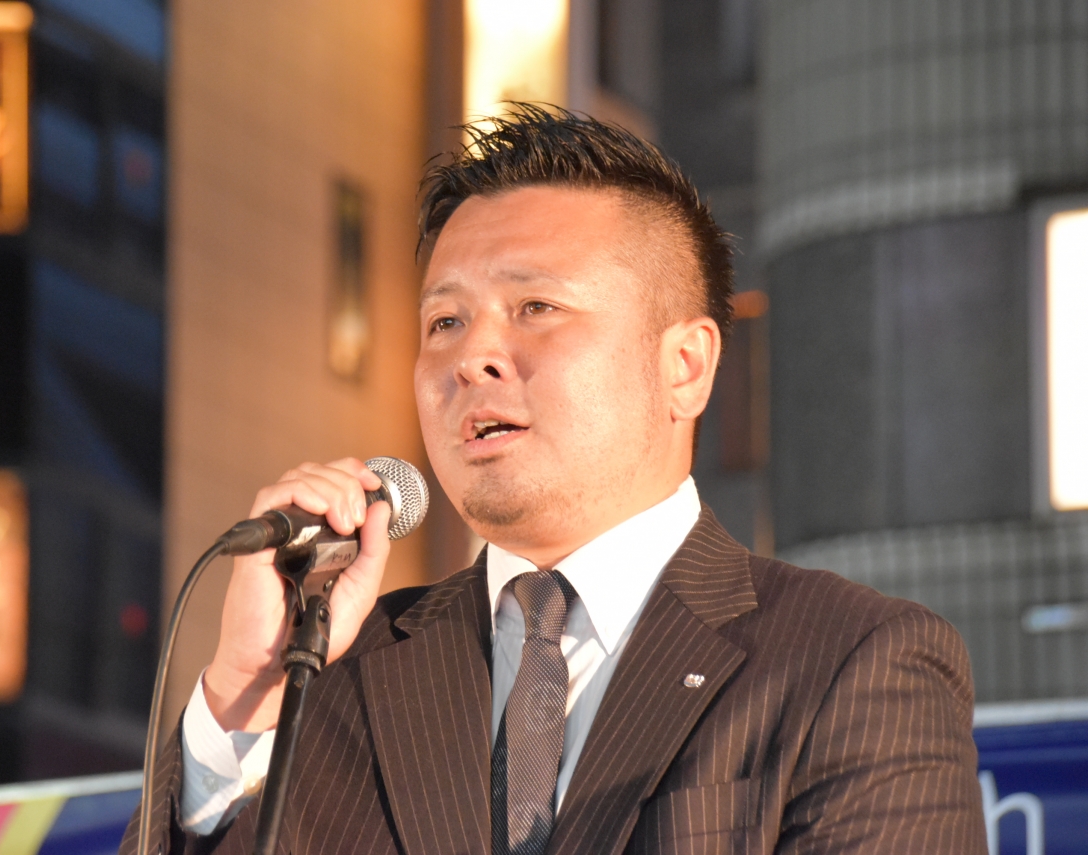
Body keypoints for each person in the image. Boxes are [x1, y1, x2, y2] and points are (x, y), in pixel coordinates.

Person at [121, 106, 986, 854]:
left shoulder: (852, 661)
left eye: (536, 308)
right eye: (444, 320)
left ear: (685, 365)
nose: (472, 357)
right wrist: (245, 692)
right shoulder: (331, 677)